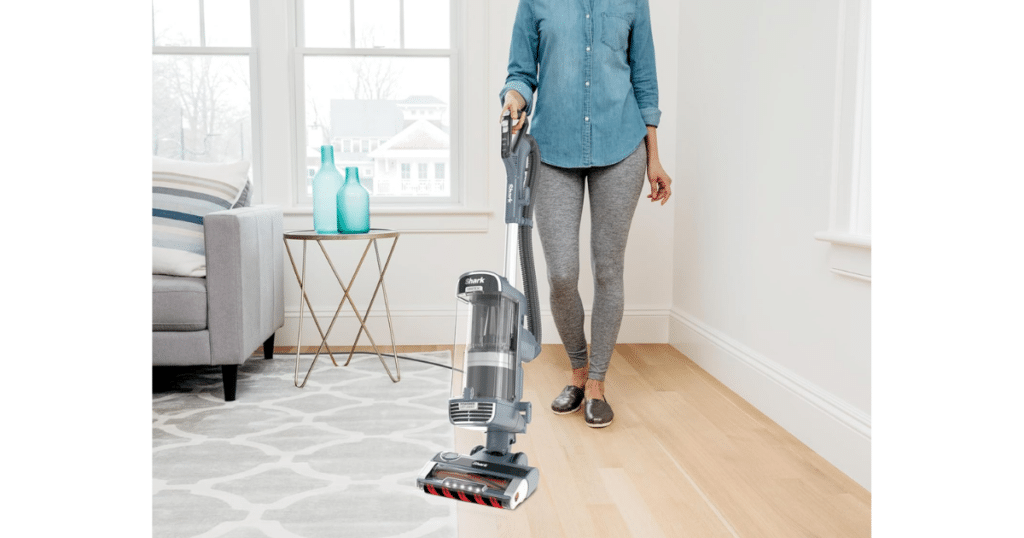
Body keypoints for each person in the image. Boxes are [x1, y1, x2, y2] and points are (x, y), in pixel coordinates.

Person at [500, 0, 672, 428]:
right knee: (561, 272)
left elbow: (644, 80)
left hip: (622, 146)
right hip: (553, 150)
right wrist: (513, 99)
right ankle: (576, 371)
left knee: (608, 269)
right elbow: (521, 72)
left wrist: (654, 159)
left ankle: (595, 383)